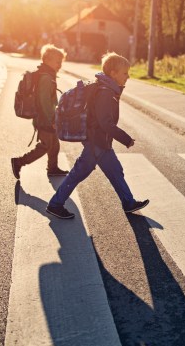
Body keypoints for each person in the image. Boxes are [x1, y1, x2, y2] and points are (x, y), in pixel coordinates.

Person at [46, 52, 149, 219]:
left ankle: (128, 202)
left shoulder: (107, 89)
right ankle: (55, 204)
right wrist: (126, 139)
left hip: (100, 142)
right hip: (96, 142)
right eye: (125, 73)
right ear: (113, 73)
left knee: (115, 171)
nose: (128, 77)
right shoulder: (106, 92)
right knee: (78, 174)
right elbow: (105, 122)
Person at [11, 44, 69, 179]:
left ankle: (53, 168)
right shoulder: (46, 78)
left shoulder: (48, 75)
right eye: (57, 62)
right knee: (45, 146)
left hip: (46, 117)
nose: (60, 64)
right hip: (44, 118)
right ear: (47, 60)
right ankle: (19, 162)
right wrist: (52, 120)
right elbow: (44, 101)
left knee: (54, 144)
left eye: (61, 62)